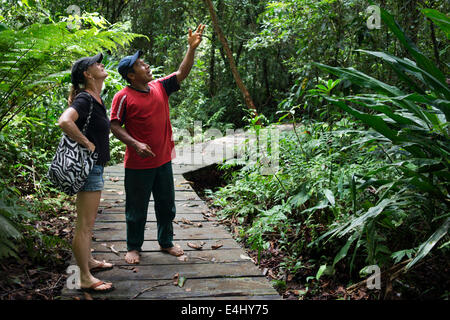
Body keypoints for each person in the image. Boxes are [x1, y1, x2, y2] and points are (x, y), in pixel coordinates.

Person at [110, 24, 205, 264]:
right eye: (141, 65)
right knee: (136, 208)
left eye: (144, 63)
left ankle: (166, 242)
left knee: (166, 205)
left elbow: (181, 73)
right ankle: (133, 247)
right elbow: (114, 125)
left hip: (163, 160)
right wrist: (135, 144)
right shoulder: (122, 97)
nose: (147, 65)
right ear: (131, 75)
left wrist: (191, 48)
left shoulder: (159, 87)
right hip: (137, 165)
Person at [58, 53, 114, 292]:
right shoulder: (85, 99)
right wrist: (85, 142)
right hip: (89, 168)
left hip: (95, 167)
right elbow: (64, 121)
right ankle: (83, 277)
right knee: (85, 224)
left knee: (87, 223)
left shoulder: (95, 98)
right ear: (87, 74)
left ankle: (88, 261)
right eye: (96, 64)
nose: (102, 65)